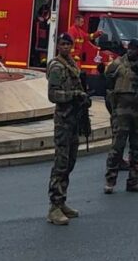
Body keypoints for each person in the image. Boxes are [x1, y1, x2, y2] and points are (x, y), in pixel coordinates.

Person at [104, 39, 138, 194]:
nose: (131, 51)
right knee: (117, 146)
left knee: (137, 148)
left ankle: (133, 180)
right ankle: (110, 180)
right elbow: (107, 83)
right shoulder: (117, 64)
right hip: (121, 110)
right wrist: (112, 107)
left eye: (134, 49)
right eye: (129, 48)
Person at [46, 33, 89, 226]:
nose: (65, 47)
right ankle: (54, 207)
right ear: (58, 46)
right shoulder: (57, 67)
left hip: (74, 120)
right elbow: (53, 95)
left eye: (68, 44)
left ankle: (62, 201)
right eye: (62, 44)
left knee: (70, 162)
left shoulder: (72, 64)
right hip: (63, 121)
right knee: (61, 163)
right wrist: (74, 95)